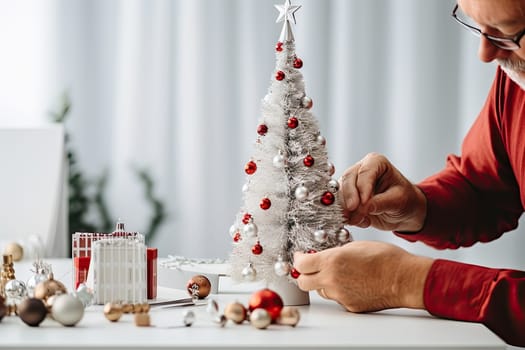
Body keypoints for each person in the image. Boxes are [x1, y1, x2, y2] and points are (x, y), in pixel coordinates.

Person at [293, 0, 525, 347]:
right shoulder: (516, 75)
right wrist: (417, 206)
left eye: (507, 32)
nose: (485, 53)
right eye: (477, 26)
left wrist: (408, 282)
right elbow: (484, 189)